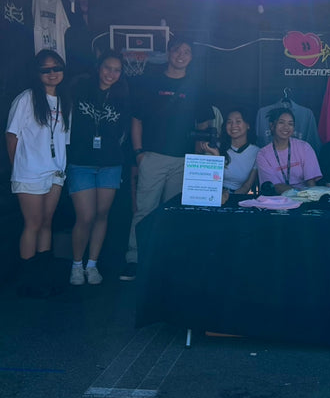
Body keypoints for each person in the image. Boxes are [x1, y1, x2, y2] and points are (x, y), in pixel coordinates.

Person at [120, 37, 212, 281]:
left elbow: (204, 125)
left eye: (187, 51)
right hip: (152, 157)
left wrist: (198, 157)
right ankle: (134, 259)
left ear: (191, 58)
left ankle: (166, 259)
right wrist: (139, 153)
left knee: (174, 212)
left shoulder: (196, 87)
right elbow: (136, 119)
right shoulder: (150, 82)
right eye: (177, 50)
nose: (181, 55)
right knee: (144, 210)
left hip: (184, 161)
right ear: (169, 53)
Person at [6, 49, 71, 297]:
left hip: (54, 172)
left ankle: (44, 276)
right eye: (46, 69)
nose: (52, 73)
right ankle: (28, 279)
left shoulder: (64, 99)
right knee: (32, 224)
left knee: (46, 223)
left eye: (56, 68)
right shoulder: (26, 99)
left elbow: (63, 138)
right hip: (29, 172)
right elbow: (11, 136)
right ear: (37, 73)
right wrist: (17, 167)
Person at [66, 50, 130, 286]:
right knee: (85, 216)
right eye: (107, 68)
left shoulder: (122, 96)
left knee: (102, 215)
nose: (110, 73)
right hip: (81, 162)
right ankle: (76, 264)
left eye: (116, 70)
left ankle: (92, 265)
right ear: (98, 67)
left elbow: (123, 131)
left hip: (110, 164)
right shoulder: (79, 89)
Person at [196, 107, 260, 201]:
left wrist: (229, 197)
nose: (233, 125)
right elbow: (208, 182)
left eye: (238, 121)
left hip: (237, 197)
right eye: (229, 122)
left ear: (248, 125)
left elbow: (246, 186)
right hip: (212, 195)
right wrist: (216, 156)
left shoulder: (257, 152)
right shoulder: (214, 147)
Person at [256, 107, 322, 194]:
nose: (286, 127)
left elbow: (311, 182)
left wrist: (311, 198)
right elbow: (274, 186)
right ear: (272, 126)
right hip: (277, 200)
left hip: (305, 198)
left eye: (290, 124)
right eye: (281, 122)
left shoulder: (304, 147)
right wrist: (299, 192)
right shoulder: (263, 154)